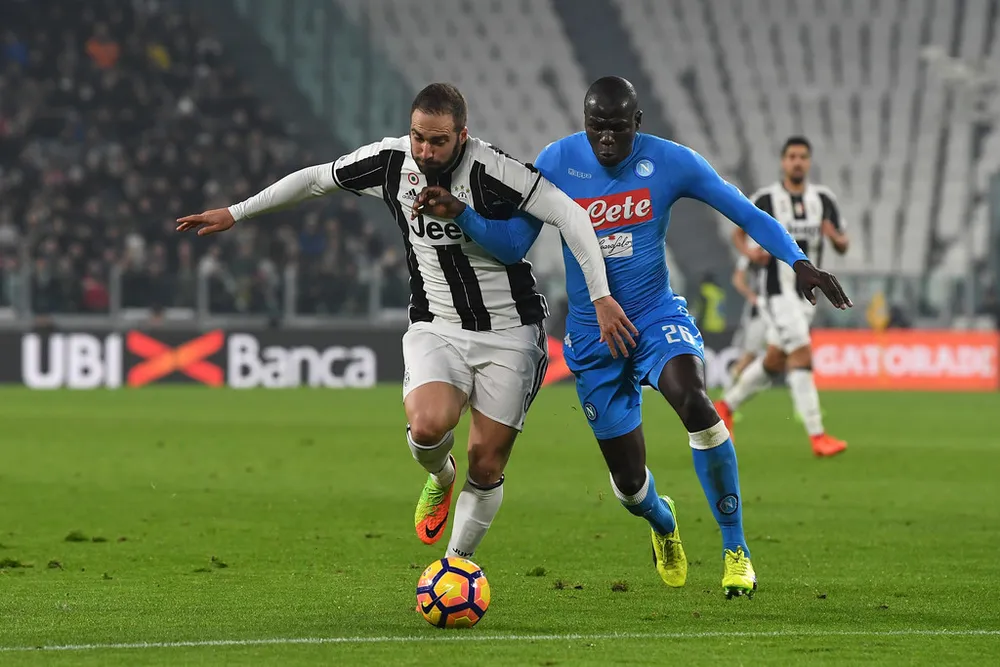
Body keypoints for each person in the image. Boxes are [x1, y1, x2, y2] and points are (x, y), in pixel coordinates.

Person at [413, 77, 852, 598]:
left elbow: (747, 213)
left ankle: (736, 551)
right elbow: (512, 245)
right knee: (629, 486)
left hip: (653, 316)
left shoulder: (672, 162)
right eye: (596, 127)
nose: (605, 139)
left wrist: (799, 262)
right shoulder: (556, 161)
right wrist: (463, 214)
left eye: (618, 129)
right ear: (584, 123)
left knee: (694, 402)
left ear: (637, 124)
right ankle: (663, 522)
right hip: (591, 337)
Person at [176, 83, 636, 563]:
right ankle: (440, 476)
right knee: (427, 427)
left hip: (511, 332)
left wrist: (601, 295)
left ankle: (453, 567)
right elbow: (317, 179)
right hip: (436, 324)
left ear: (462, 135)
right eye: (418, 136)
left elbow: (572, 216)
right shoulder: (392, 162)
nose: (425, 150)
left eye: (437, 141)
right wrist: (236, 211)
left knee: (487, 462)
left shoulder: (496, 172)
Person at [715, 137, 851, 457]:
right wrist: (749, 251)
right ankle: (818, 435)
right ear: (783, 162)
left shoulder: (824, 200)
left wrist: (836, 238)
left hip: (807, 298)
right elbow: (739, 228)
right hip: (777, 293)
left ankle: (725, 405)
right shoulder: (766, 198)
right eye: (792, 156)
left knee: (774, 361)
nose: (797, 162)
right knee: (801, 352)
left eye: (803, 156)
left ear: (809, 161)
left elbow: (843, 244)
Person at [729, 251, 767, 382]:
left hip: (781, 307)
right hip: (759, 310)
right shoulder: (752, 252)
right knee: (751, 353)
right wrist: (751, 295)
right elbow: (737, 278)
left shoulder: (781, 247)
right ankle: (732, 385)